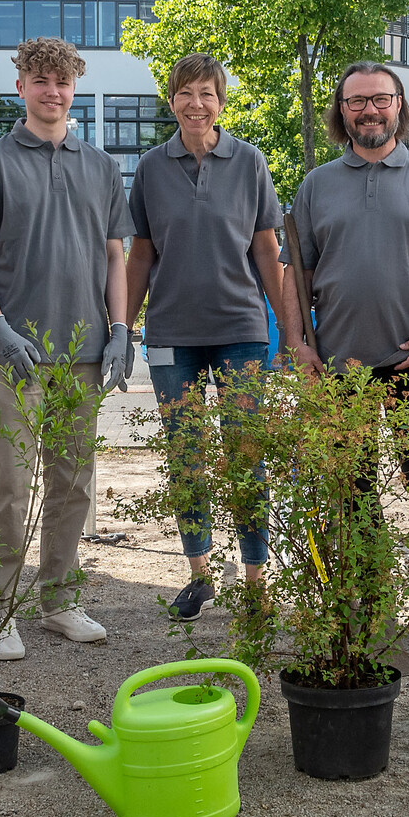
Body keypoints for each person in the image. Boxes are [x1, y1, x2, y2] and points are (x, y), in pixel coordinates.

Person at [279, 61, 409, 655]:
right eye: (356, 102)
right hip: (340, 370)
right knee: (351, 491)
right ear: (342, 112)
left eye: (380, 99)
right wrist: (298, 342)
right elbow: (298, 271)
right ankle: (367, 606)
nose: (369, 110)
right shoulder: (316, 184)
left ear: (399, 106)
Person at [0, 37, 132, 654]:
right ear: (20, 86)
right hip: (17, 353)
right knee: (8, 482)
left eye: (62, 80)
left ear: (74, 87)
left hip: (82, 352)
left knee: (74, 482)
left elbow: (115, 253)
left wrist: (119, 328)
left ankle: (59, 599)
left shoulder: (102, 167)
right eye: (39, 79)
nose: (52, 91)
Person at [123, 54, 283, 620]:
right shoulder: (149, 168)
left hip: (240, 329)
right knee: (185, 454)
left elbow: (266, 247)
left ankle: (257, 580)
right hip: (171, 334)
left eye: (207, 94)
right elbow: (141, 252)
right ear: (171, 102)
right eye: (186, 93)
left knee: (246, 452)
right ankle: (200, 573)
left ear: (221, 102)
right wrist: (125, 323)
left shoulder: (249, 162)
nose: (196, 103)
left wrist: (285, 324)